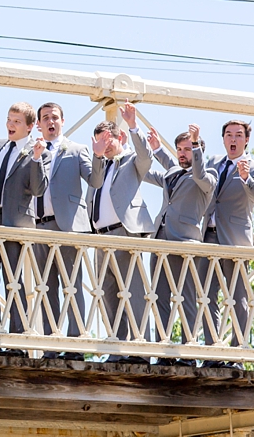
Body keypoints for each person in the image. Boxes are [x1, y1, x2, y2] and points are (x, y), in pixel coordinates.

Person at [0, 103, 49, 356]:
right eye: (9, 120)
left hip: (13, 223)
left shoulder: (37, 151)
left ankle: (18, 341)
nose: (10, 125)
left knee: (13, 282)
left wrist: (37, 159)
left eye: (17, 121)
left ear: (30, 126)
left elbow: (38, 190)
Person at [86, 103, 154, 363]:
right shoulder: (99, 168)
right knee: (108, 292)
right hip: (101, 236)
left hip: (125, 233)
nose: (106, 145)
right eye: (100, 142)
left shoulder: (131, 161)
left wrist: (134, 125)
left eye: (108, 140)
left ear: (120, 137)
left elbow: (146, 157)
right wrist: (96, 155)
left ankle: (140, 350)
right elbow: (92, 187)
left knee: (134, 291)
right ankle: (117, 347)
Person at [145, 125, 216, 365]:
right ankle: (163, 351)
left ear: (198, 151)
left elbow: (198, 174)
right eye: (180, 149)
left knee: (186, 298)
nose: (183, 153)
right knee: (160, 298)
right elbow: (153, 170)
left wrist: (196, 147)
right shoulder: (171, 174)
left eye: (189, 149)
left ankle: (189, 352)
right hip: (161, 241)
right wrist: (154, 149)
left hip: (185, 243)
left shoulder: (207, 177)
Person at [200, 120, 254, 363]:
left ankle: (238, 352)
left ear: (246, 140)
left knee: (238, 297)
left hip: (235, 240)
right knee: (207, 295)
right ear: (224, 138)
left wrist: (246, 178)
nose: (233, 139)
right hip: (208, 235)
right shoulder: (214, 163)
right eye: (229, 135)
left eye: (239, 135)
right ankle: (212, 352)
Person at [32, 103, 92, 360]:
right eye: (45, 118)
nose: (50, 122)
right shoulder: (32, 152)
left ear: (63, 121)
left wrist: (99, 156)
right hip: (39, 225)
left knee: (72, 285)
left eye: (54, 117)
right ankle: (50, 345)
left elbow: (96, 180)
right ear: (38, 124)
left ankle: (76, 342)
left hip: (67, 226)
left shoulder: (77, 150)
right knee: (46, 287)